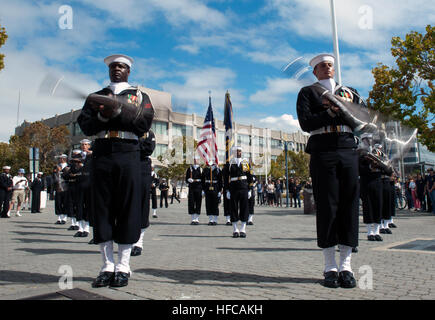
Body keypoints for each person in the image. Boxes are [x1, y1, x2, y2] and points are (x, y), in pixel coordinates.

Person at [77, 54, 154, 288]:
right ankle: (106, 266)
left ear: (128, 71)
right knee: (102, 207)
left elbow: (145, 122)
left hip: (128, 151)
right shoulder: (97, 96)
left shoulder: (139, 95)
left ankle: (124, 266)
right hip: (102, 151)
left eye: (121, 66)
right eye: (113, 66)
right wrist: (102, 114)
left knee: (127, 207)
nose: (117, 70)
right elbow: (86, 124)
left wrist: (119, 112)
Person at [296, 53, 365, 289]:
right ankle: (329, 267)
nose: (327, 68)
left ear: (334, 69)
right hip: (323, 149)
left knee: (349, 204)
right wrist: (330, 113)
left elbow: (362, 121)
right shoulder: (309, 92)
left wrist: (349, 110)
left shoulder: (350, 92)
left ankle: (346, 265)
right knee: (327, 205)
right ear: (315, 71)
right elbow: (306, 123)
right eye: (322, 66)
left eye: (330, 65)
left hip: (347, 148)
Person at [131, 129, 156, 256]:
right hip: (127, 166)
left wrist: (131, 147)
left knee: (141, 205)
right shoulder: (126, 131)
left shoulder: (148, 133)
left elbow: (148, 149)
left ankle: (138, 242)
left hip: (142, 168)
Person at [358, 134, 384, 242]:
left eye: (370, 139)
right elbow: (359, 168)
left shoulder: (378, 152)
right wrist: (369, 167)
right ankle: (369, 232)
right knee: (368, 206)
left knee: (378, 205)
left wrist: (380, 166)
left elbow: (386, 167)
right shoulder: (360, 153)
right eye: (366, 139)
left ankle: (377, 231)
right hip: (366, 182)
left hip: (377, 181)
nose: (368, 141)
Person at [225, 146, 252, 238]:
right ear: (234, 152)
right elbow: (226, 178)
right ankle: (235, 229)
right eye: (237, 151)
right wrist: (227, 190)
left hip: (244, 187)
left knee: (244, 208)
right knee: (233, 208)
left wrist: (249, 189)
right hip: (233, 188)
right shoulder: (230, 163)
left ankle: (243, 229)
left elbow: (249, 176)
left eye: (240, 151)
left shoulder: (245, 162)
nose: (239, 152)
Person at [201, 159, 222, 225]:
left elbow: (220, 181)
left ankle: (215, 219)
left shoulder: (218, 170)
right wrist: (203, 189)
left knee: (215, 204)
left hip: (215, 187)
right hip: (207, 187)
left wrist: (220, 190)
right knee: (208, 203)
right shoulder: (205, 169)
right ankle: (210, 219)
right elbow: (202, 180)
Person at [186, 155, 203, 225]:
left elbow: (203, 180)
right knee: (191, 202)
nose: (195, 161)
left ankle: (197, 218)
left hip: (199, 187)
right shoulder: (189, 169)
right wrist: (188, 180)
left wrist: (203, 189)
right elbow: (186, 178)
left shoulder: (201, 169)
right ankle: (193, 218)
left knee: (198, 202)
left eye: (197, 159)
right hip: (192, 187)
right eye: (194, 159)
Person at [54, 155, 69, 224]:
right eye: (60, 158)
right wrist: (56, 171)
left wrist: (62, 172)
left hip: (65, 187)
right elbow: (53, 175)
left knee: (65, 202)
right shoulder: (56, 166)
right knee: (58, 203)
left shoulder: (68, 166)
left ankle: (64, 217)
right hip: (58, 186)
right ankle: (59, 217)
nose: (61, 159)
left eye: (62, 158)